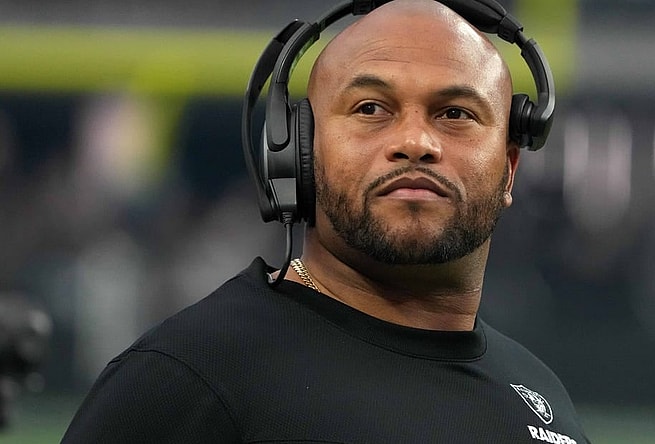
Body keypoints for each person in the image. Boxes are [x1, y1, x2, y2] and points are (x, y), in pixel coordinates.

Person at [62, 1, 591, 442]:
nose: (415, 142)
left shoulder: (541, 401)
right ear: (299, 151)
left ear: (509, 168)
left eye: (455, 113)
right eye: (370, 109)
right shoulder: (188, 379)